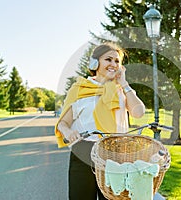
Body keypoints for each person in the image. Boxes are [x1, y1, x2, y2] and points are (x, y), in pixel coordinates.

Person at [54, 42, 145, 200]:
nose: (113, 64)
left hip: (116, 153)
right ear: (95, 63)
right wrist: (69, 132)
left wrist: (124, 84)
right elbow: (63, 123)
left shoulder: (121, 90)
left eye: (117, 61)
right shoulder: (79, 89)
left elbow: (139, 112)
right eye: (108, 59)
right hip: (84, 151)